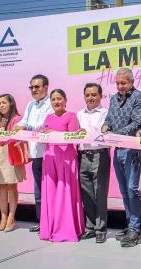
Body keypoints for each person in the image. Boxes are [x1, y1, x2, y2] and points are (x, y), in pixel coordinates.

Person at [101, 68, 141, 247]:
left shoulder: (138, 97)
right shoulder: (112, 98)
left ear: (132, 82)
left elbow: (136, 122)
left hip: (132, 149)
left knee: (132, 188)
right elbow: (109, 119)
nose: (120, 86)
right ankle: (130, 225)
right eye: (118, 83)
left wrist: (115, 134)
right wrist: (105, 127)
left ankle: (136, 229)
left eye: (123, 83)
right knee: (124, 190)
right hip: (117, 149)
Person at [39, 89, 84, 242]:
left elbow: (72, 138)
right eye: (53, 99)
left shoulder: (71, 116)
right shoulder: (47, 117)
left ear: (65, 100)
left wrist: (53, 133)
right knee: (50, 194)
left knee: (65, 194)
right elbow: (43, 136)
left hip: (66, 159)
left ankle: (66, 229)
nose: (56, 102)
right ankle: (50, 228)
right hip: (49, 158)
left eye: (59, 99)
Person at [14, 74, 52, 233]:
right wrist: (17, 126)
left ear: (46, 87)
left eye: (37, 87)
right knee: (38, 189)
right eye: (32, 87)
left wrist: (26, 127)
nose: (34, 90)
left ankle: (51, 221)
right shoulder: (30, 104)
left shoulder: (51, 103)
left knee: (50, 189)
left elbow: (43, 125)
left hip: (48, 153)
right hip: (35, 152)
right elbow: (24, 122)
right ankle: (41, 221)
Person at [77, 83, 111, 243]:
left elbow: (106, 133)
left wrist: (88, 133)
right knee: (87, 194)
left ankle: (101, 229)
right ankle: (90, 227)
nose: (90, 98)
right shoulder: (79, 114)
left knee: (100, 193)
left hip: (100, 155)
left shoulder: (106, 113)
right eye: (87, 95)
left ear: (100, 96)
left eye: (94, 95)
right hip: (83, 155)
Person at [0, 94, 27, 232]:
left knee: (11, 186)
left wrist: (4, 141)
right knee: (1, 187)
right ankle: (3, 217)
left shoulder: (18, 119)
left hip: (11, 155)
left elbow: (17, 137)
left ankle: (11, 217)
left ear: (11, 104)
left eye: (4, 102)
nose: (1, 105)